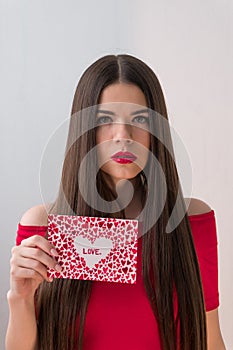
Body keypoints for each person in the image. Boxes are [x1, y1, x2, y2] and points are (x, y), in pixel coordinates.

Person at [5, 54, 226, 350]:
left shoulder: (192, 221)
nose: (123, 136)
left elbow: (210, 340)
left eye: (140, 119)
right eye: (105, 120)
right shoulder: (42, 226)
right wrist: (19, 297)